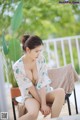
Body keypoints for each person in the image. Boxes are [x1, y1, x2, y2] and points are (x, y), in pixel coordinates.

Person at [13, 35, 65, 120]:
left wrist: (44, 103)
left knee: (61, 92)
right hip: (30, 96)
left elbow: (42, 82)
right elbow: (30, 88)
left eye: (40, 51)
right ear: (28, 50)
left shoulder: (41, 59)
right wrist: (43, 104)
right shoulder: (17, 67)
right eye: (36, 51)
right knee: (33, 114)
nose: (39, 54)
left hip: (44, 93)